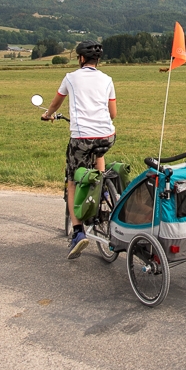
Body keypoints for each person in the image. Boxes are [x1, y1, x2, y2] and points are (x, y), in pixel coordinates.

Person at [42, 40, 117, 259]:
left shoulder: (71, 78)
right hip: (107, 135)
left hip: (82, 137)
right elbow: (113, 113)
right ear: (98, 60)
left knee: (73, 180)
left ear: (81, 59)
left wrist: (47, 115)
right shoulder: (107, 79)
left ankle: (77, 233)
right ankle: (103, 187)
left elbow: (56, 104)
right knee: (99, 153)